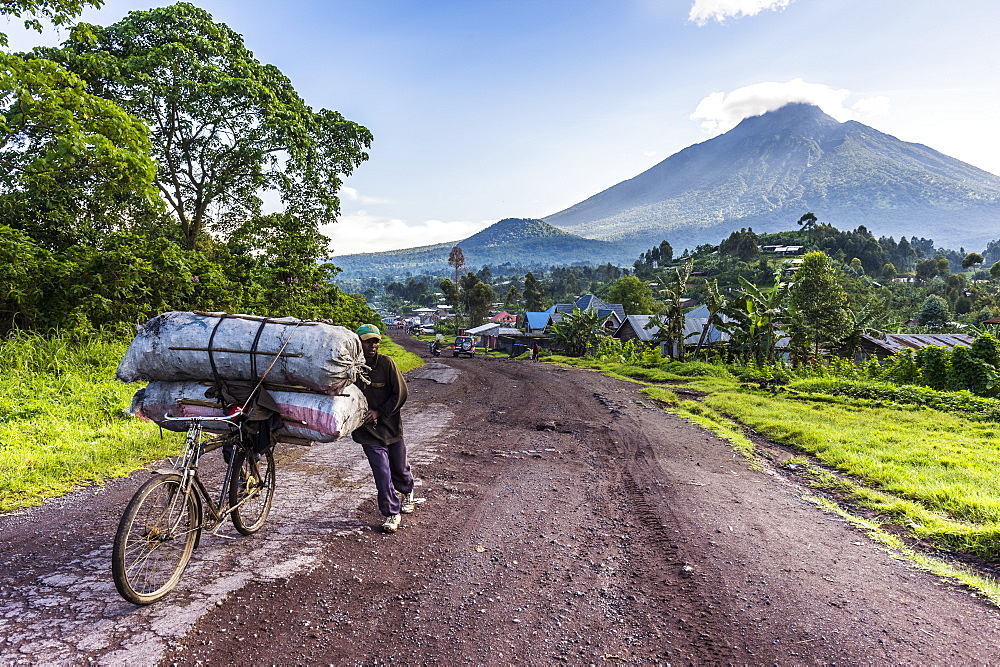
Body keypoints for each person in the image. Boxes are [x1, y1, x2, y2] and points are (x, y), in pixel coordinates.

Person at [353, 324, 415, 533]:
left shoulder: (387, 363)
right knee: (382, 473)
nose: (372, 345)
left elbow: (401, 393)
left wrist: (379, 412)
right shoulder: (352, 368)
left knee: (399, 469)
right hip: (367, 432)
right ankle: (391, 513)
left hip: (391, 427)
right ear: (358, 343)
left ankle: (407, 492)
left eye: (375, 341)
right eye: (367, 341)